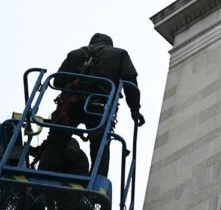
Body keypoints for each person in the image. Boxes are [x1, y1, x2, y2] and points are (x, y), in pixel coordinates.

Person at [40, 32, 144, 177]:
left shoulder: (74, 54)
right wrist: (135, 110)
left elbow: (57, 82)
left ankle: (44, 172)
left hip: (69, 106)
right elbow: (130, 81)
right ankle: (97, 181)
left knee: (58, 138)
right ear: (108, 44)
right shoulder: (119, 54)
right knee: (100, 142)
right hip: (97, 106)